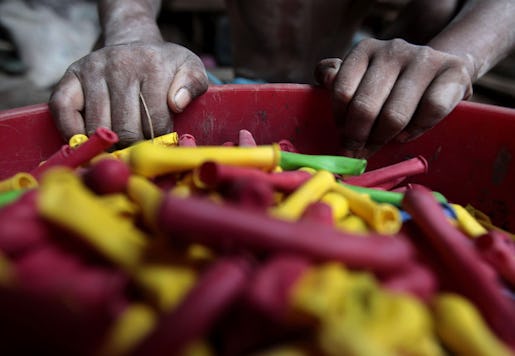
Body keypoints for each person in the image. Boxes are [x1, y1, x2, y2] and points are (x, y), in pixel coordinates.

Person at [49, 0, 515, 157]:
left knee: (435, 9)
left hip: (344, 68)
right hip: (236, 69)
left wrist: (459, 56)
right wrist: (132, 32)